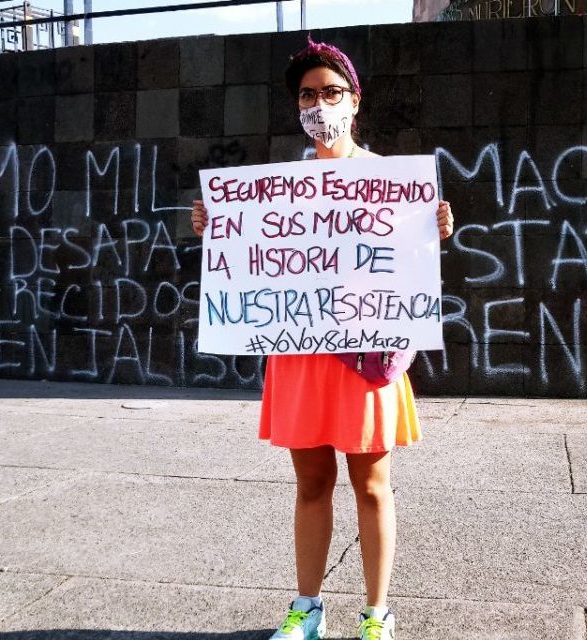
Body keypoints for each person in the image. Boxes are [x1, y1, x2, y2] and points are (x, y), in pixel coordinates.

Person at [190, 36, 455, 640]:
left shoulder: (391, 181)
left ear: (354, 101)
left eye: (331, 92)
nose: (319, 103)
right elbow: (256, 256)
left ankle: (376, 613)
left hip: (367, 357)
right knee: (311, 485)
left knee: (372, 485)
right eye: (308, 95)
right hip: (300, 355)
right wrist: (214, 225)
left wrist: (432, 230)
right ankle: (307, 608)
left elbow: (404, 263)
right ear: (297, 107)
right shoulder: (273, 190)